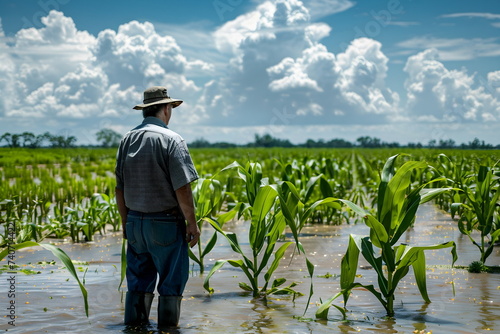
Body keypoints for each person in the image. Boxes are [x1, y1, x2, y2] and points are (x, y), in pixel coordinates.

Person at [115, 86, 200, 328]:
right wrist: (192, 223)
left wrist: (125, 223)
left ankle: (134, 328)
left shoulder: (126, 139)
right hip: (165, 223)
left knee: (138, 283)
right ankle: (168, 330)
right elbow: (182, 188)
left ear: (145, 110)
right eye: (170, 108)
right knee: (171, 284)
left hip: (134, 222)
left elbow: (119, 189)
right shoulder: (172, 140)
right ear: (165, 109)